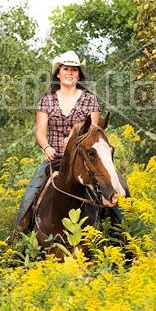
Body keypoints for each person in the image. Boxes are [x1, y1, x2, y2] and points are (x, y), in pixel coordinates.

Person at [11, 50, 101, 234]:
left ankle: (126, 238)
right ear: (58, 73)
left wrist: (74, 140)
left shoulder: (90, 99)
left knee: (111, 189)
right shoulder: (46, 100)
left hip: (84, 160)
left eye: (74, 70)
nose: (70, 73)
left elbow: (94, 132)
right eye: (66, 69)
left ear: (78, 74)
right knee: (29, 197)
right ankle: (16, 239)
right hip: (55, 159)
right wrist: (47, 147)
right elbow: (40, 133)